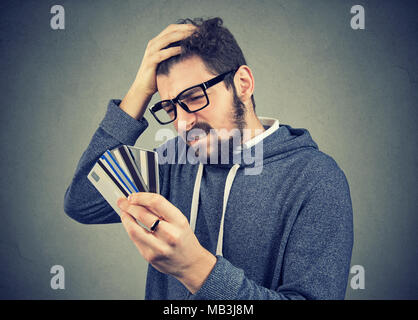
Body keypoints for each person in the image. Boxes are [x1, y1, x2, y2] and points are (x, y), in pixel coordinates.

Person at [64, 17, 354, 300]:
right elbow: (83, 201)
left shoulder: (316, 179)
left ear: (242, 83)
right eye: (169, 108)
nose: (182, 123)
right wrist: (140, 89)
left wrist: (195, 269)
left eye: (192, 98)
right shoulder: (172, 162)